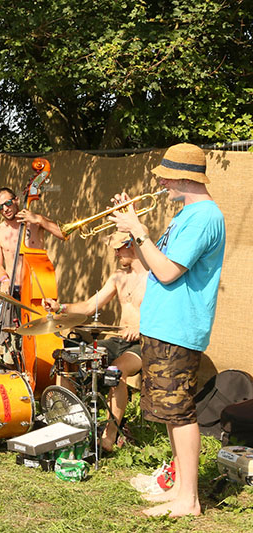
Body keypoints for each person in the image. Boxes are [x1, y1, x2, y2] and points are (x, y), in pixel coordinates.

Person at [108, 143, 225, 517]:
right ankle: (178, 488)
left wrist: (139, 229)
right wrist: (132, 227)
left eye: (163, 175)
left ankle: (188, 500)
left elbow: (169, 271)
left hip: (179, 327)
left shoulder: (205, 216)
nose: (158, 181)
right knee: (170, 413)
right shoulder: (184, 215)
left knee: (180, 413)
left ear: (181, 176)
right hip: (162, 326)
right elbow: (152, 261)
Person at [43, 231, 147, 452]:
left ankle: (108, 438)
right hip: (118, 338)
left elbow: (170, 315)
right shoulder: (118, 276)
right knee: (69, 360)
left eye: (119, 248)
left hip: (143, 343)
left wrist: (141, 329)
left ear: (132, 245)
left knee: (114, 372)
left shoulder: (154, 277)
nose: (116, 253)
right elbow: (89, 307)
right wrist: (59, 307)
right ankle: (69, 426)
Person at [0, 187, 66, 348]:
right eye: (0, 207)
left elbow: (63, 234)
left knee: (41, 334)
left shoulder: (35, 222)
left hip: (36, 289)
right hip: (12, 290)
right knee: (8, 340)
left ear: (16, 200)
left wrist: (39, 219)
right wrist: (4, 279)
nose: (5, 209)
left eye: (8, 203)